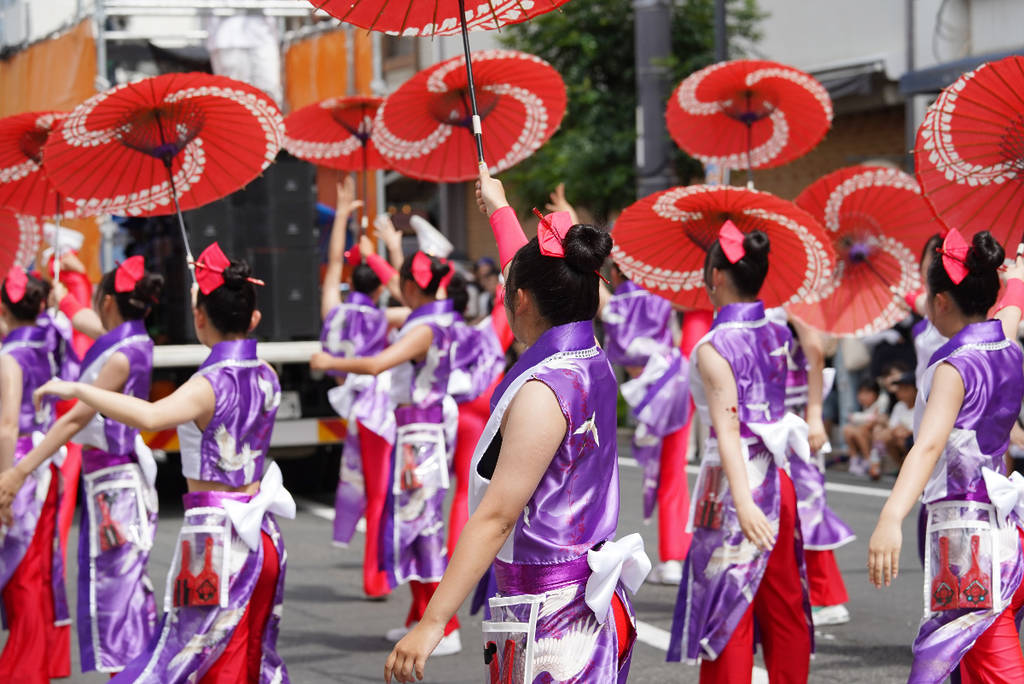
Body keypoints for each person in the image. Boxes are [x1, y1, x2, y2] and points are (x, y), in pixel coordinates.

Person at [33, 243, 295, 682]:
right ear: (254, 319)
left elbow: (150, 416)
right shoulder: (266, 373)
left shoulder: (207, 384)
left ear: (198, 318)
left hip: (217, 543)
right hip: (266, 539)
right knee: (251, 657)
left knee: (199, 663)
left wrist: (79, 390)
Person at [868, 229, 1024, 684]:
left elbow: (929, 445)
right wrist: (1016, 276)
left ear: (940, 302)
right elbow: (1012, 308)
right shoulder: (1006, 345)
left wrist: (889, 518)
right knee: (974, 664)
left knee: (994, 668)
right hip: (1007, 525)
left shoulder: (956, 365)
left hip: (968, 539)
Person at [0, 258, 163, 675]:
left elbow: (74, 418)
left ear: (109, 302)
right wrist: (67, 298)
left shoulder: (119, 356)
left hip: (114, 488)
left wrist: (18, 472)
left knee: (115, 598)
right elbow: (89, 322)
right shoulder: (132, 341)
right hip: (112, 481)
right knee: (122, 594)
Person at [667, 222, 813, 683]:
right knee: (786, 605)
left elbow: (727, 430)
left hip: (735, 488)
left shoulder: (713, 347)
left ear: (715, 277)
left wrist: (744, 501)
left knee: (727, 609)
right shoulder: (778, 334)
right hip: (780, 477)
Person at [311, 247, 465, 657]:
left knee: (422, 529)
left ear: (415, 287)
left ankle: (445, 626)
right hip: (414, 431)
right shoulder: (432, 316)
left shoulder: (426, 326)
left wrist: (329, 359)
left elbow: (379, 364)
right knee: (412, 528)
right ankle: (421, 616)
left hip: (420, 435)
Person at [319, 178, 395, 600]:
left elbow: (332, 266)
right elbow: (414, 295)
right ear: (378, 287)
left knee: (367, 487)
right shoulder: (385, 317)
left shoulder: (336, 308)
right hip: (379, 408)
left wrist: (343, 220)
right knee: (381, 494)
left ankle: (377, 573)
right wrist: (388, 252)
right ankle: (376, 576)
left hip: (352, 405)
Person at [0, 267, 72, 682]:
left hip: (23, 463)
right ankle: (41, 661)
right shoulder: (45, 345)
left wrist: (6, 480)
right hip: (49, 463)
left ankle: (23, 669)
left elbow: (8, 424)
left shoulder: (10, 356)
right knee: (41, 567)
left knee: (21, 573)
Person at [765, 308, 856, 627]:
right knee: (780, 509)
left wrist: (815, 416)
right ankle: (796, 593)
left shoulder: (792, 298)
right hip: (769, 416)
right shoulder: (765, 295)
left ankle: (826, 596)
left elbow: (816, 355)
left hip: (796, 418)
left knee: (808, 507)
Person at [603, 260, 691, 584]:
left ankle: (673, 557)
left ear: (615, 273)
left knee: (664, 473)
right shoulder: (662, 296)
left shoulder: (615, 303)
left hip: (643, 390)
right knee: (673, 472)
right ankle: (674, 556)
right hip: (673, 381)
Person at [842, 378, 888, 477]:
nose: (863, 396)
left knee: (860, 431)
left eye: (867, 393)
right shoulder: (864, 407)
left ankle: (869, 462)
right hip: (867, 438)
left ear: (876, 394)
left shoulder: (881, 404)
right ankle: (854, 460)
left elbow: (871, 424)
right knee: (847, 429)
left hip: (878, 444)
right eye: (861, 393)